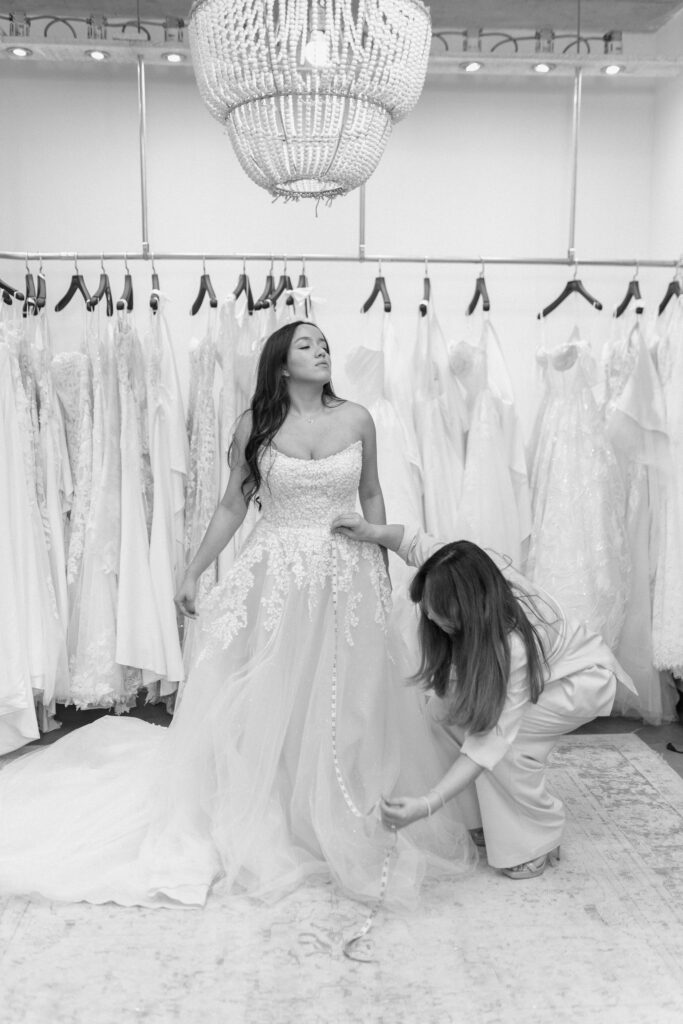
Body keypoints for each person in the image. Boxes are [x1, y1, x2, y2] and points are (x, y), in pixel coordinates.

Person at [0, 321, 473, 910]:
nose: (321, 350)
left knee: (348, 697)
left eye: (323, 343)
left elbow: (372, 495)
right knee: (270, 695)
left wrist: (379, 564)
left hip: (346, 573)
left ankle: (340, 807)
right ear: (280, 364)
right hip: (275, 574)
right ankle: (273, 810)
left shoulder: (357, 419)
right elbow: (233, 503)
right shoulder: (256, 425)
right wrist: (192, 570)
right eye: (307, 344)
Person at [331, 514, 637, 879]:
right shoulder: (466, 569)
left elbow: (485, 743)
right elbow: (412, 542)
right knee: (440, 712)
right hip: (542, 669)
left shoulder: (512, 647)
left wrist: (427, 804)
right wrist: (371, 532)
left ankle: (537, 835)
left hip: (581, 681)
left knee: (505, 743)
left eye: (439, 609)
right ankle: (478, 818)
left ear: (469, 607)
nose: (428, 613)